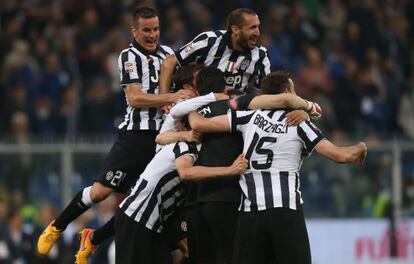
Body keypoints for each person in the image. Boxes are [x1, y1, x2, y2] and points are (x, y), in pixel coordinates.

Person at [37, 6, 193, 261]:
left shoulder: (168, 55)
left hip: (164, 138)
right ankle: (58, 225)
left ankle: (93, 238)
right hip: (135, 136)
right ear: (134, 31)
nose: (152, 35)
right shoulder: (128, 56)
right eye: (146, 30)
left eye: (155, 29)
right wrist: (173, 96)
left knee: (139, 203)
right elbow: (135, 98)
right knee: (100, 192)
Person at [188, 71, 367, 264]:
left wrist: (188, 104)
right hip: (285, 210)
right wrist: (361, 147)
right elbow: (341, 156)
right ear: (287, 92)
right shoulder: (300, 124)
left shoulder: (248, 118)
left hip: (250, 211)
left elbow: (200, 124)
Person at [163, 67, 320, 264]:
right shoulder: (238, 107)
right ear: (226, 88)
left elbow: (161, 139)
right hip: (227, 196)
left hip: (195, 200)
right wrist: (308, 110)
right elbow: (282, 102)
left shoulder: (188, 112)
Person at [160, 8, 271, 104]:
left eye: (258, 27)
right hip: (198, 105)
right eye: (252, 28)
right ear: (235, 29)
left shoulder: (260, 55)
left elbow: (266, 94)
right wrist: (165, 100)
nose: (258, 33)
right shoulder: (209, 41)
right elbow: (168, 63)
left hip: (233, 111)